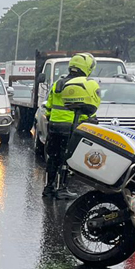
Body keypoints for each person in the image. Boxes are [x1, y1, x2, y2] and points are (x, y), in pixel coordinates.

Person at [42, 53, 101, 199]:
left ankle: (48, 187)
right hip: (70, 127)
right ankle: (62, 187)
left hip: (54, 126)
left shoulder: (58, 83)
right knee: (66, 158)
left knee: (53, 157)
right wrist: (92, 120)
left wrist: (52, 120)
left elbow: (49, 106)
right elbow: (87, 108)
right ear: (87, 67)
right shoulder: (85, 84)